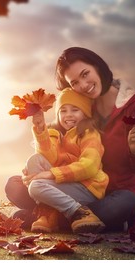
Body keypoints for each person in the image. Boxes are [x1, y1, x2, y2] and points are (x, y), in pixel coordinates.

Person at [5, 47, 135, 233]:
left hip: (110, 195)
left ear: (98, 67)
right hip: (69, 184)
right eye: (75, 82)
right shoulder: (79, 108)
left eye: (85, 74)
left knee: (128, 203)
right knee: (15, 185)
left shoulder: (133, 107)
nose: (83, 85)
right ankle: (67, 216)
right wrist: (41, 134)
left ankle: (51, 216)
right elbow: (53, 149)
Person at [24, 87, 108, 233]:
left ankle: (79, 212)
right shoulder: (55, 134)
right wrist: (40, 130)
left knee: (35, 187)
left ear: (86, 113)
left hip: (86, 187)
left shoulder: (89, 134)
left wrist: (50, 174)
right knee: (34, 160)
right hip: (65, 183)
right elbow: (48, 157)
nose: (68, 115)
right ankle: (48, 215)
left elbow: (89, 166)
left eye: (75, 110)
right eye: (63, 111)